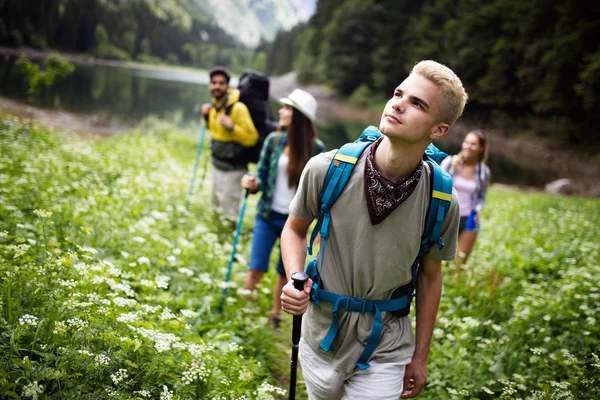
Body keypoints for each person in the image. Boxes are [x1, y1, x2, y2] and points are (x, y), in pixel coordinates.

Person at [279, 60, 468, 399]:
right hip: (323, 329)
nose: (398, 104)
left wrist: (420, 357)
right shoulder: (326, 169)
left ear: (438, 130)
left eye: (417, 104)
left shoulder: (442, 200)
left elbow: (429, 277)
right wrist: (295, 278)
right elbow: (294, 229)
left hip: (387, 342)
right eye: (399, 93)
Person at [241, 89, 325, 328]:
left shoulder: (316, 149)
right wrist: (251, 182)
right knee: (256, 267)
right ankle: (245, 314)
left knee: (283, 272)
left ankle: (275, 316)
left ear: (299, 116)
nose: (281, 111)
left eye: (287, 108)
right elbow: (261, 176)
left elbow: (321, 192)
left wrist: (320, 226)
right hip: (267, 216)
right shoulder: (273, 141)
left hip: (295, 221)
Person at [201, 66, 259, 223]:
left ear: (228, 86)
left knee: (229, 210)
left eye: (221, 83)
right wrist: (205, 117)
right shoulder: (213, 107)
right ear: (209, 85)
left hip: (234, 170)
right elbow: (213, 131)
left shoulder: (238, 109)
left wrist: (232, 127)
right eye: (214, 83)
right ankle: (216, 233)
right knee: (214, 205)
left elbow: (252, 138)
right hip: (216, 164)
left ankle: (228, 237)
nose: (217, 87)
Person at [440, 130, 490, 267]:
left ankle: (455, 286)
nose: (467, 146)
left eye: (473, 144)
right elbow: (437, 187)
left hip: (469, 219)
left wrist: (478, 210)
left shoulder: (483, 171)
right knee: (435, 260)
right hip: (447, 216)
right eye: (466, 142)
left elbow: (481, 197)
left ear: (481, 149)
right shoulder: (450, 162)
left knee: (459, 264)